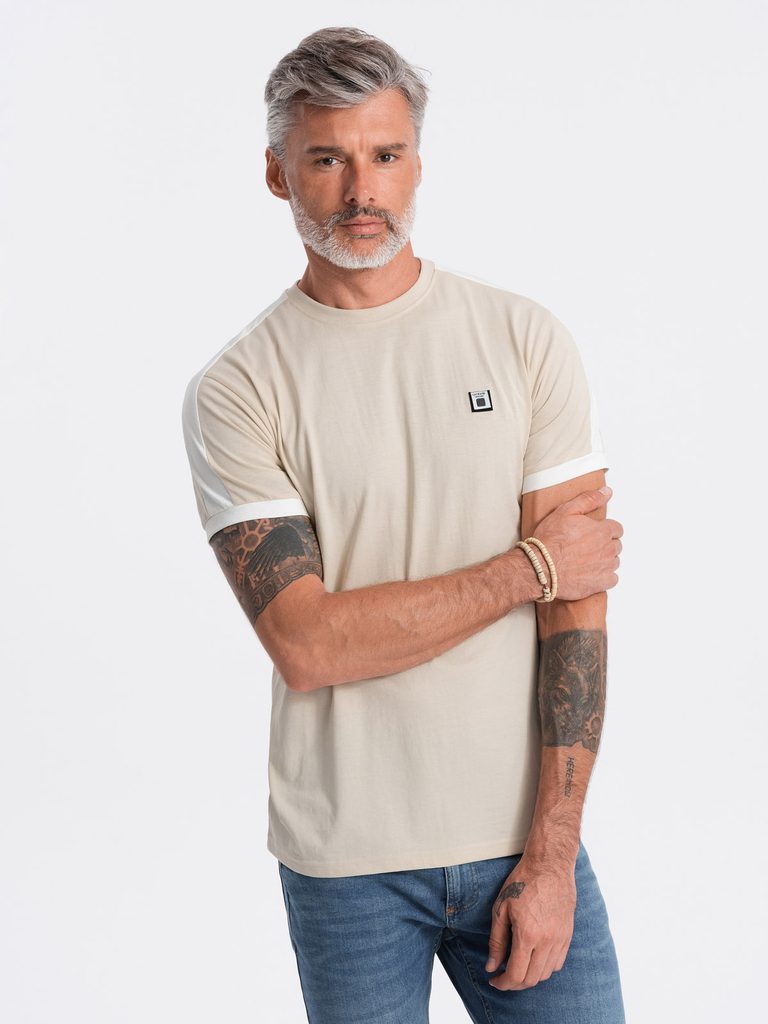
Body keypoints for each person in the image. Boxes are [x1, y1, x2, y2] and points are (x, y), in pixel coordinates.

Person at [181, 25, 626, 1024]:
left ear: (418, 162)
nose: (361, 191)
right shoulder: (238, 389)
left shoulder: (523, 340)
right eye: (326, 159)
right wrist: (529, 567)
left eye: (385, 155)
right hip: (347, 867)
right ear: (276, 173)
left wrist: (554, 852)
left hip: (523, 845)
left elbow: (579, 613)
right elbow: (308, 644)